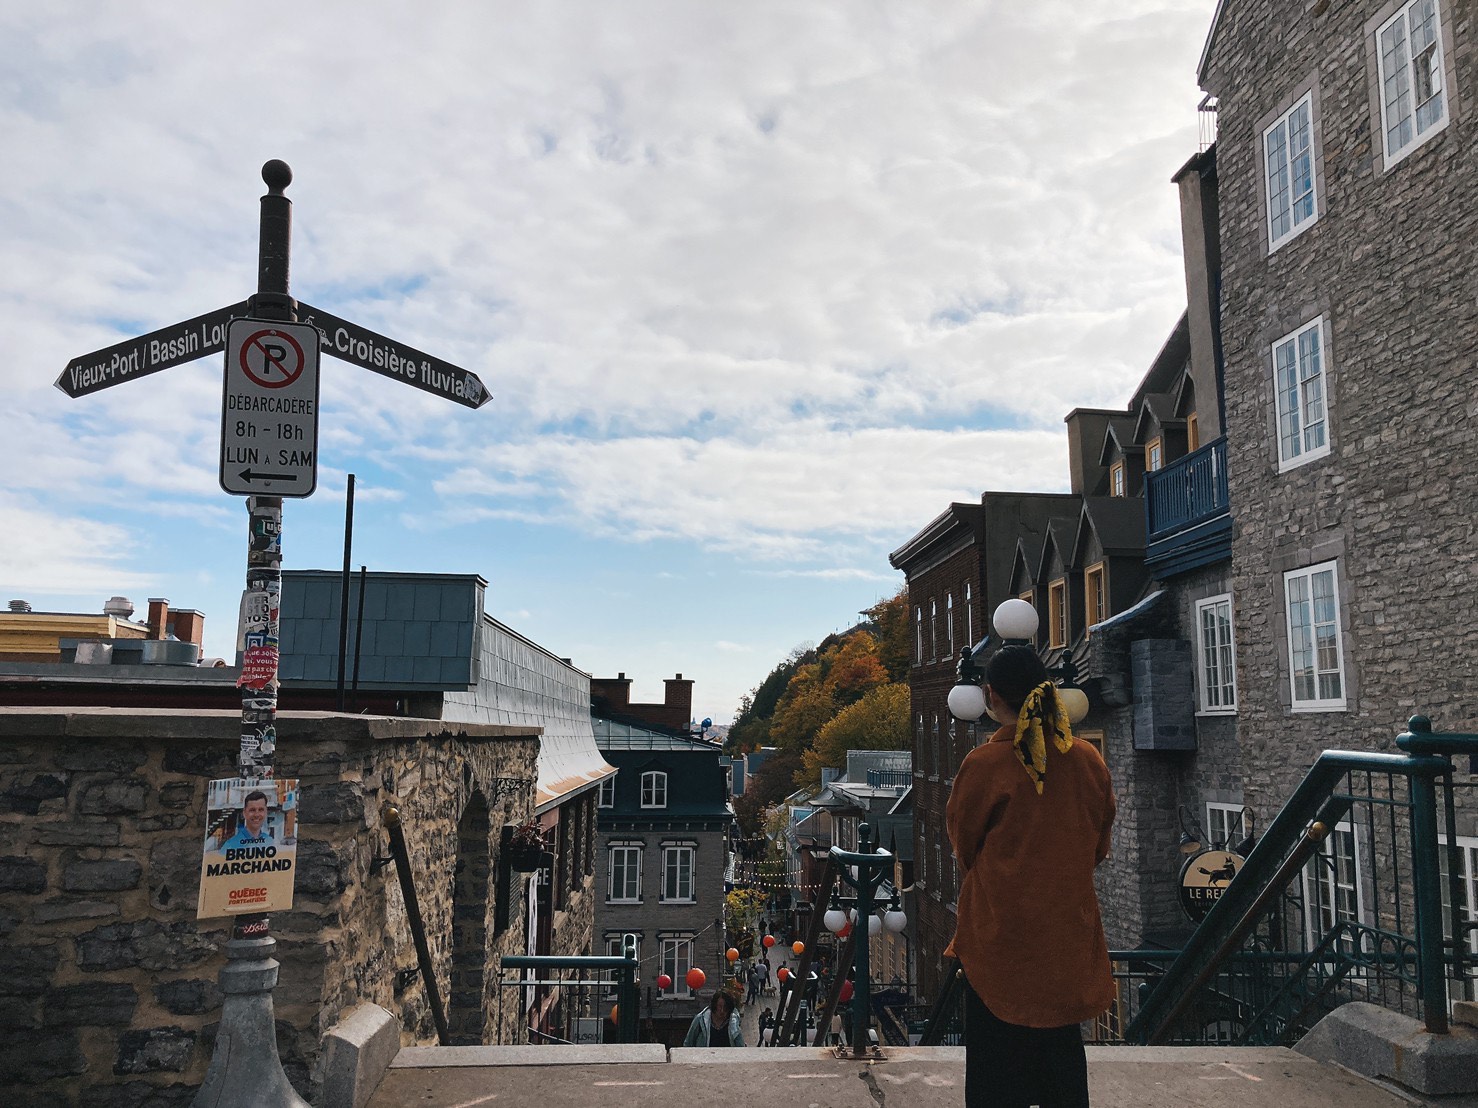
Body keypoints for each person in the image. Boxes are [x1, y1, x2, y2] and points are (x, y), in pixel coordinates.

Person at [946, 646, 1116, 1108]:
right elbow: (1098, 845)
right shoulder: (1086, 760)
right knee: (1062, 1060)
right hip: (1065, 936)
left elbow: (964, 846)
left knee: (995, 1072)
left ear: (990, 695)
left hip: (999, 940)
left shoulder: (985, 765)